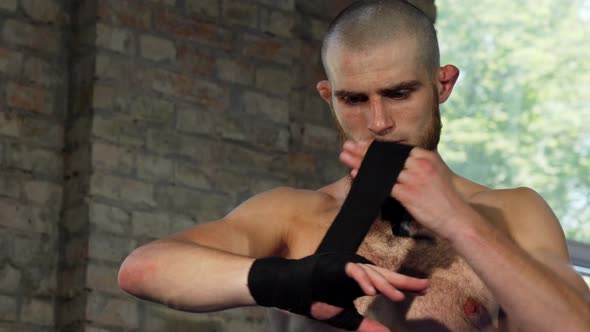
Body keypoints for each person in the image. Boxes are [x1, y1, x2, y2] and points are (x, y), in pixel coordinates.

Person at [118, 0, 590, 331]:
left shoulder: (511, 213)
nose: (378, 122)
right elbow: (144, 269)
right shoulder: (294, 213)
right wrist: (283, 280)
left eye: (399, 93)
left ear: (442, 85)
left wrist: (460, 222)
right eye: (354, 99)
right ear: (329, 96)